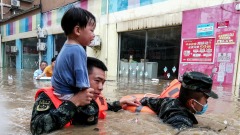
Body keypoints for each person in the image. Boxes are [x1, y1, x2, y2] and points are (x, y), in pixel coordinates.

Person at [30, 57, 140, 134]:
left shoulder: (94, 96)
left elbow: (105, 107)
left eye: (103, 82)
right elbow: (36, 128)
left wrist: (119, 104)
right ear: (81, 77)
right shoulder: (48, 97)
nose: (101, 87)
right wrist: (73, 102)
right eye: (97, 81)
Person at [140, 71, 218, 130]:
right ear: (192, 103)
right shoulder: (181, 121)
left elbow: (146, 100)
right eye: (206, 99)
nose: (206, 103)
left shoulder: (167, 101)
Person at [51, 7, 95, 101]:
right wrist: (87, 93)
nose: (94, 35)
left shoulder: (66, 46)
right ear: (77, 30)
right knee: (93, 106)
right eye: (91, 30)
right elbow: (82, 79)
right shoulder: (78, 49)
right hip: (68, 95)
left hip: (59, 91)